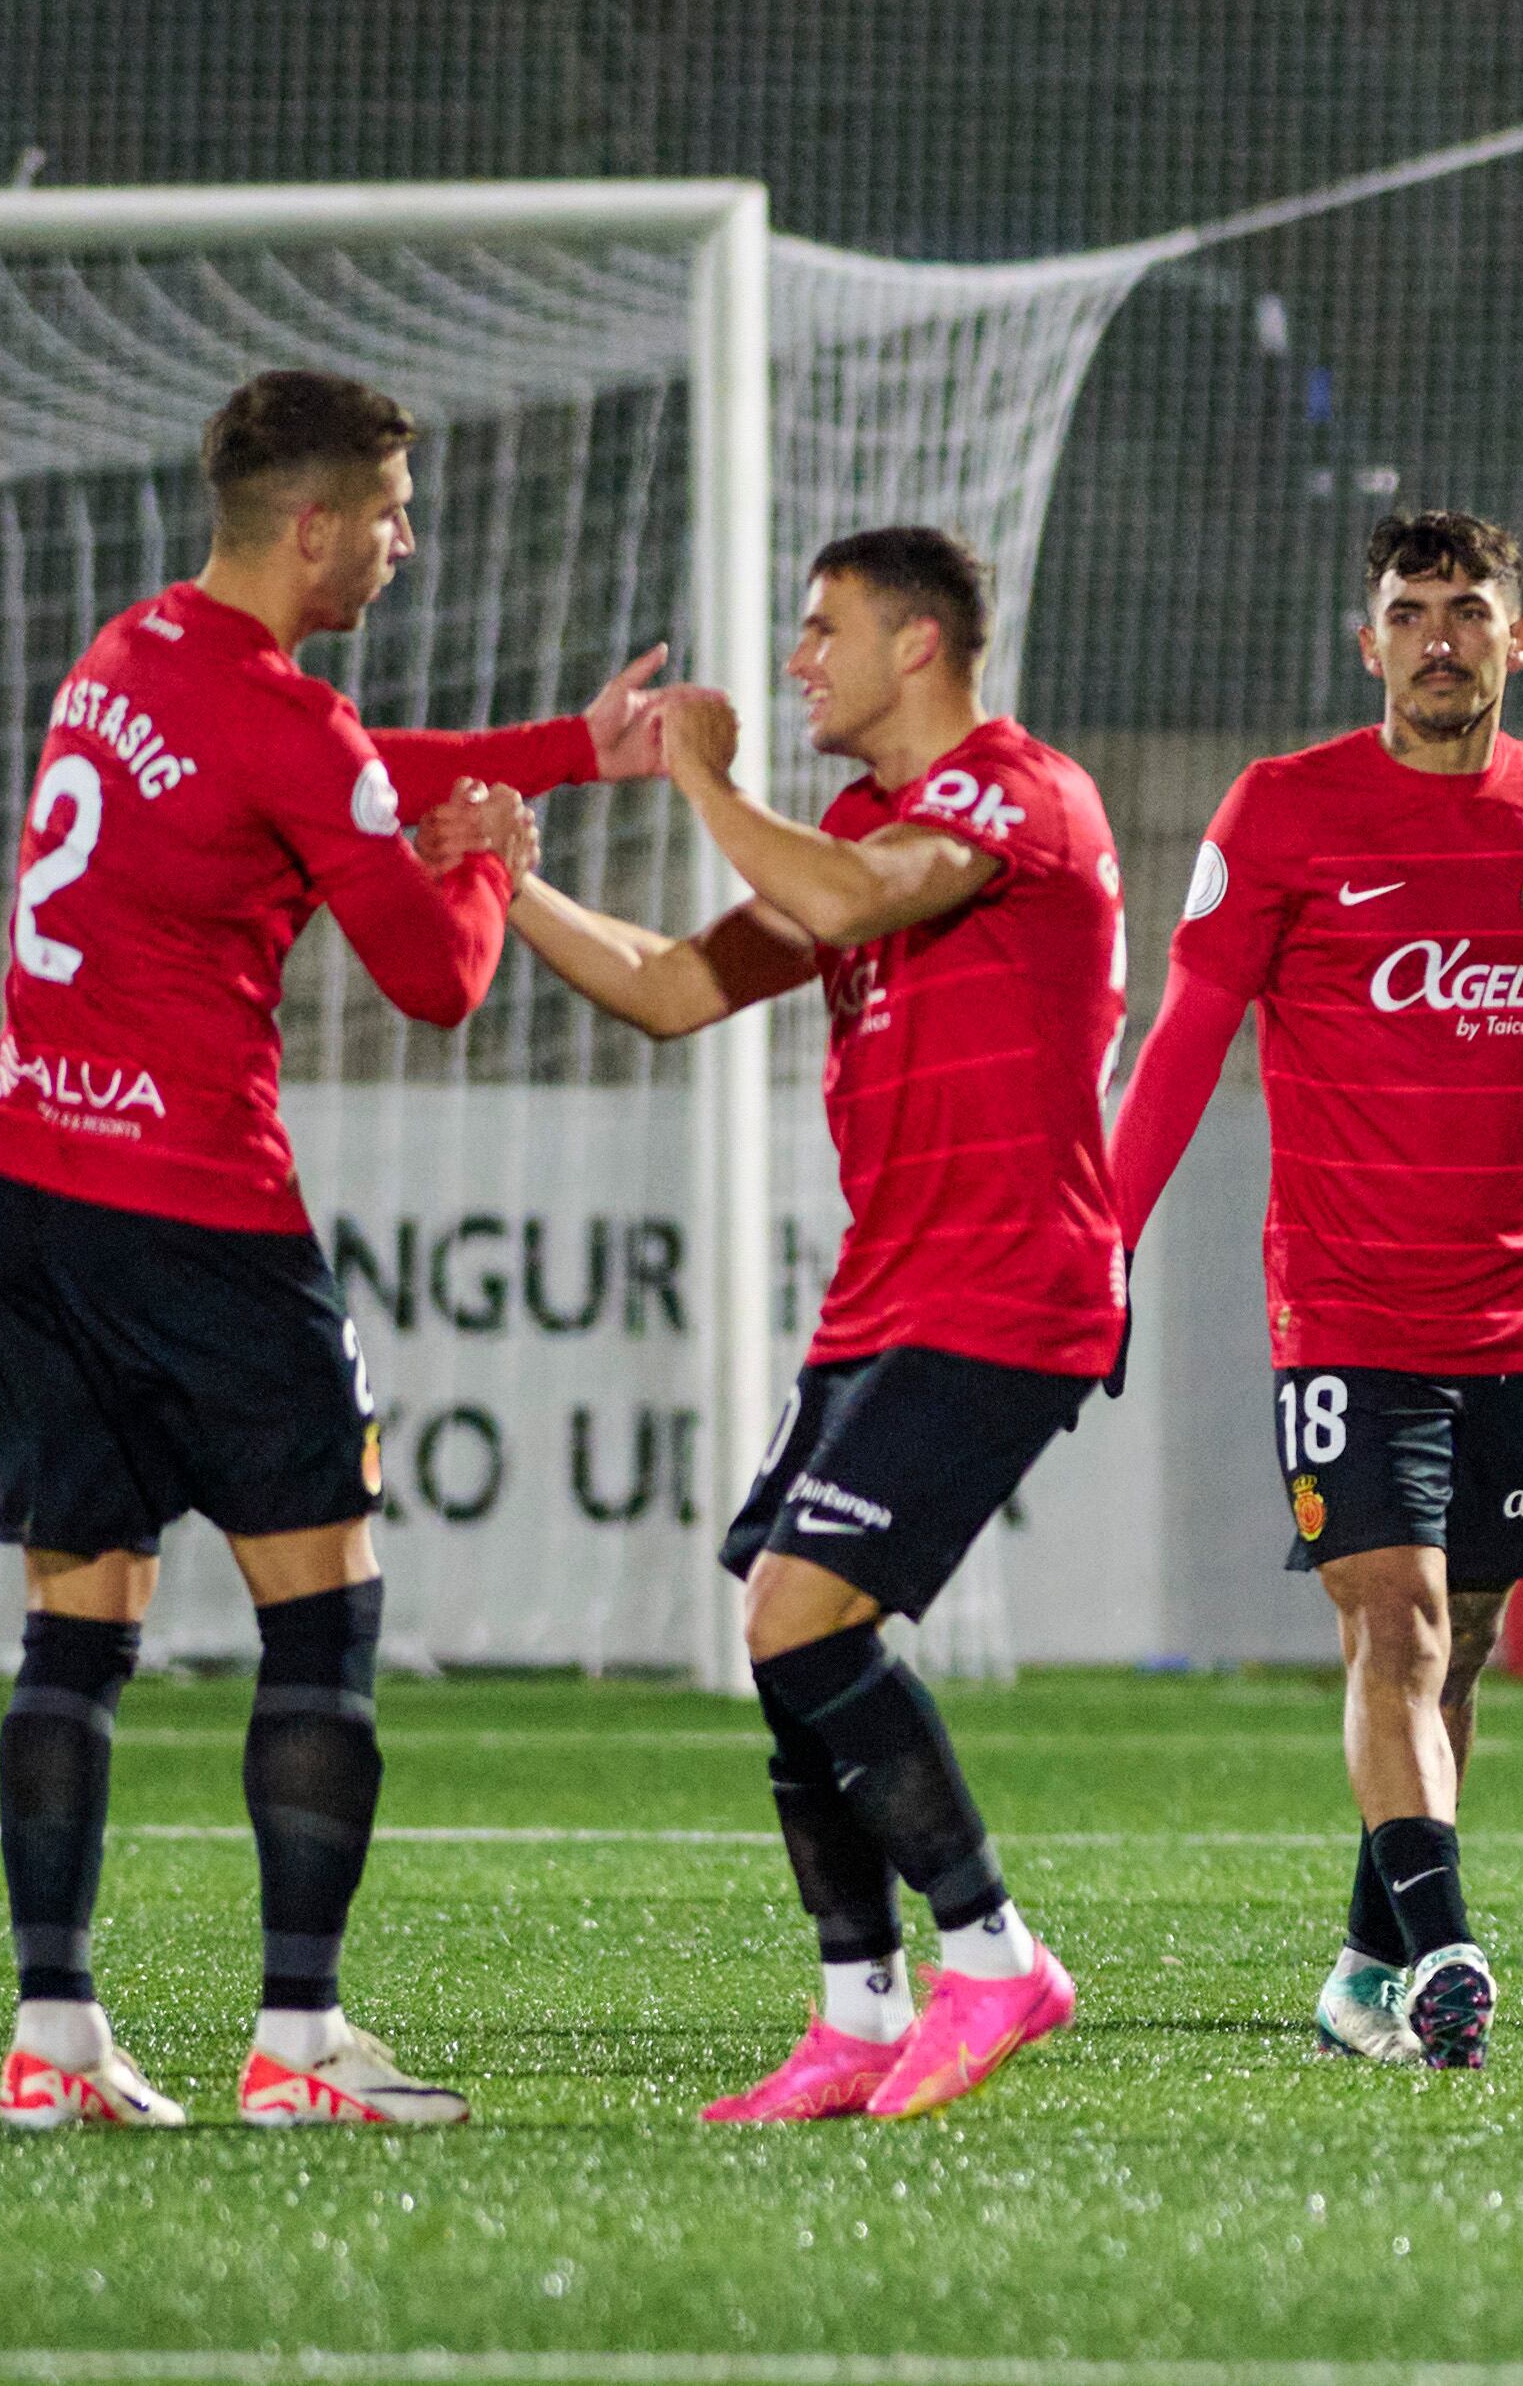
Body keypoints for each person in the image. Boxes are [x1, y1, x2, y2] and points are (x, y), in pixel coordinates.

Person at [0, 368, 678, 2129]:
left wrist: (559, 752)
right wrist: (497, 863)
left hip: (20, 1185)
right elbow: (434, 978)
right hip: (191, 1216)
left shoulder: (125, 655)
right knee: (327, 1608)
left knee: (79, 1622)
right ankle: (299, 2039)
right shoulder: (290, 728)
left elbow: (349, 772)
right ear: (315, 527)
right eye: (390, 509)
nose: (406, 538)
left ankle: (51, 2036)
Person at [1111, 510, 1523, 2070]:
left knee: (1459, 1643)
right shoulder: (1284, 812)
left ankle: (1362, 1968)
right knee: (1392, 1625)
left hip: (1519, 1306)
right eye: (1411, 611)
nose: (1441, 636)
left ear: (1516, 641)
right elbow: (1189, 1035)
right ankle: (1450, 1946)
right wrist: (1106, 1236)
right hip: (1341, 1308)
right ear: (1370, 642)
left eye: (1470, 610)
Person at [510, 527, 1128, 2115]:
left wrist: (702, 779)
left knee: (800, 1615)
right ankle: (859, 2004)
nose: (798, 662)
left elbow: (854, 901)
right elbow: (666, 984)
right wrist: (504, 883)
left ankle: (994, 1959)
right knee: (779, 1628)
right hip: (887, 1293)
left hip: (1010, 1289)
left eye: (820, 629)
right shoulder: (855, 825)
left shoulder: (1016, 794)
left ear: (917, 644)